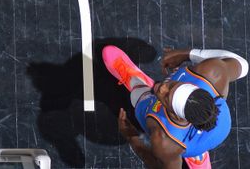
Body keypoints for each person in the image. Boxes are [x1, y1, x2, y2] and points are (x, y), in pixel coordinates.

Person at [102, 44, 248, 168]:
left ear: (176, 114)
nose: (162, 87)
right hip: (218, 124)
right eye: (173, 85)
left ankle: (138, 84)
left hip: (205, 135)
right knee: (181, 144)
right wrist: (189, 54)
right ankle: (198, 158)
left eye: (166, 96)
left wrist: (132, 137)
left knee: (140, 101)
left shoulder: (164, 141)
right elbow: (243, 64)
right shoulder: (212, 72)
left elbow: (158, 165)